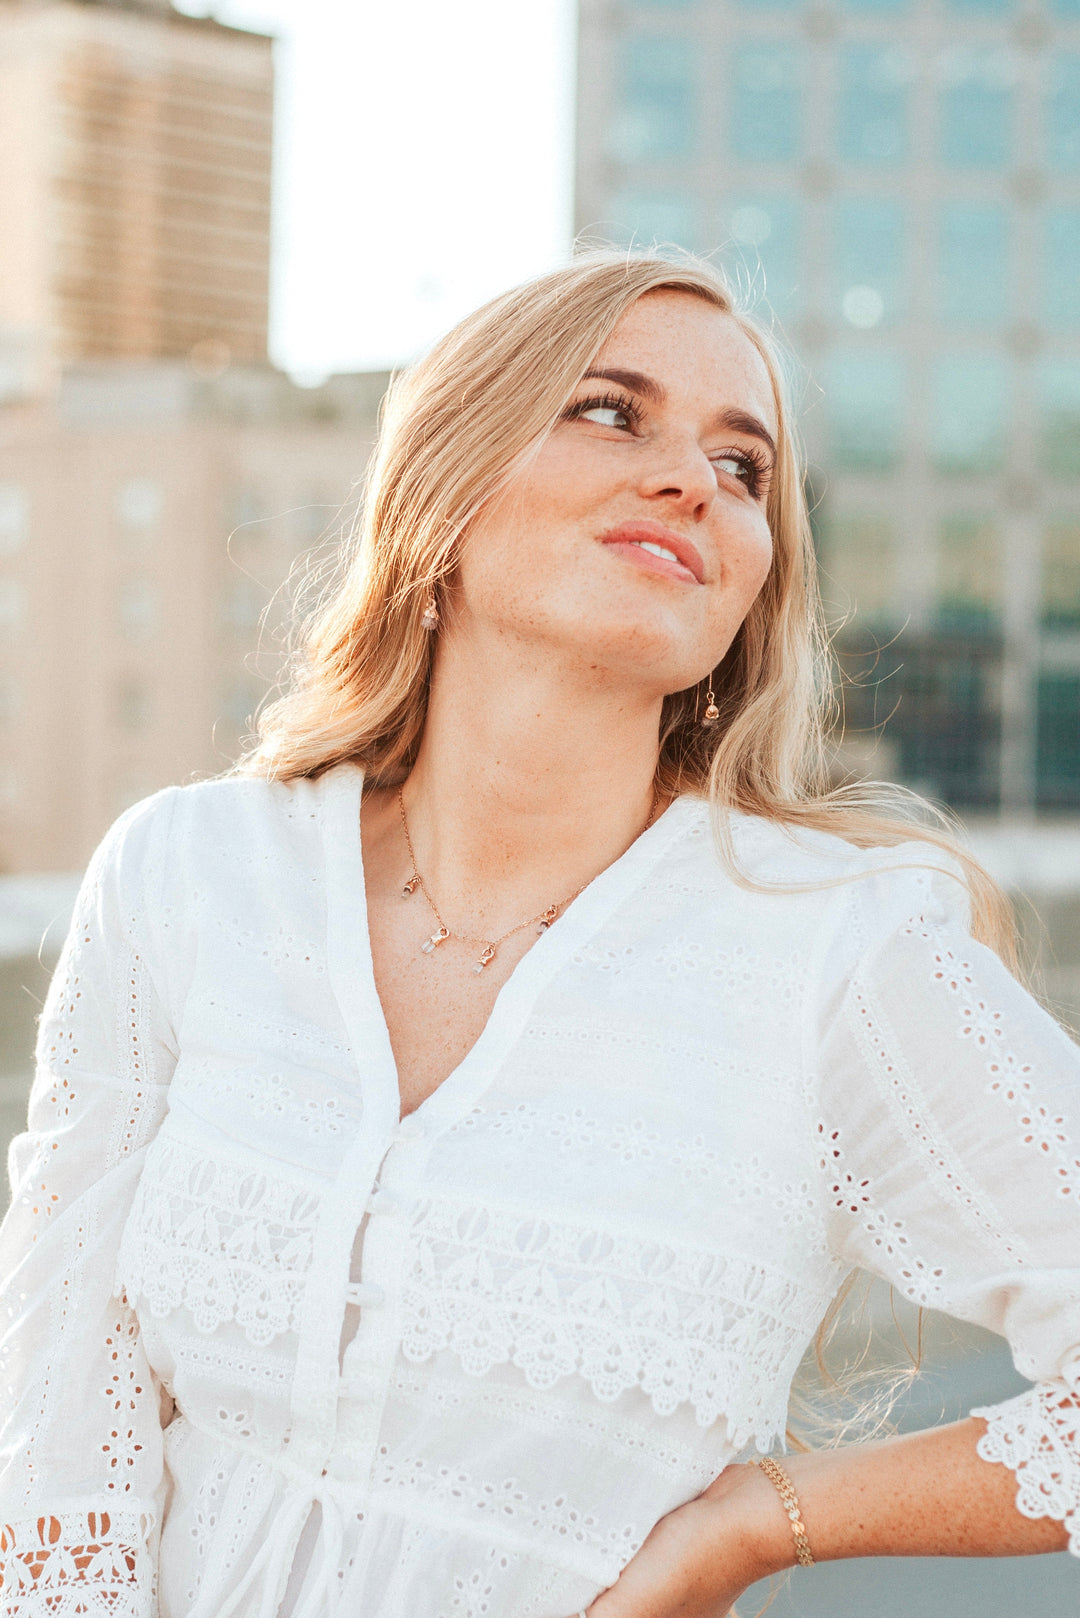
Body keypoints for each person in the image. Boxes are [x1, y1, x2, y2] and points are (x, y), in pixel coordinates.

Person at [1, 249, 1077, 1618]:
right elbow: (59, 1389)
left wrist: (760, 1521)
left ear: (751, 585)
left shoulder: (837, 953)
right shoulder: (190, 874)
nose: (694, 478)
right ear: (442, 495)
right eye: (612, 412)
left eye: (745, 467)